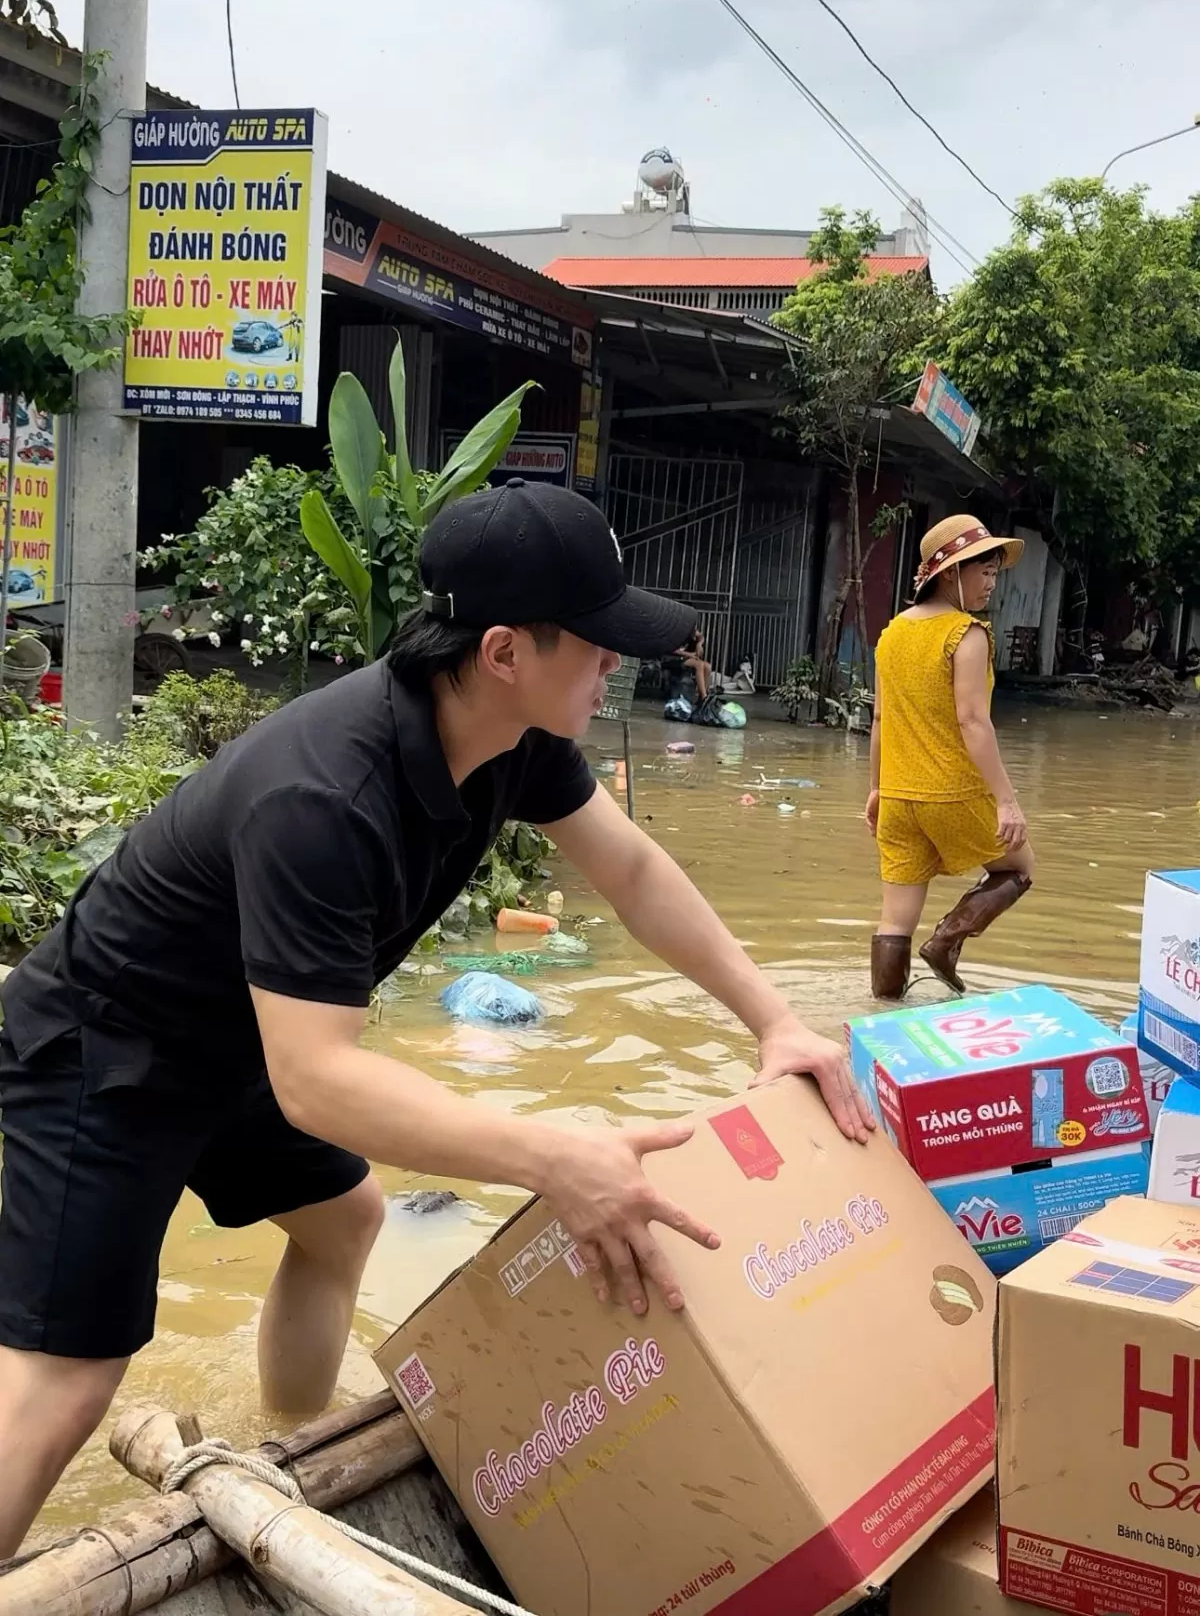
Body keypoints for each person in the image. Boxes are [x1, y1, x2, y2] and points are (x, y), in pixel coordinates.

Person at [0, 476, 874, 1556]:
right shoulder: (324, 798)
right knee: (67, 1376)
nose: (619, 663)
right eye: (597, 641)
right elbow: (320, 1081)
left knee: (345, 1218)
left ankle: (283, 1452)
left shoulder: (516, 738)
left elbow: (634, 872)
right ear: (505, 651)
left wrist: (773, 1021)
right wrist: (555, 1155)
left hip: (246, 1043)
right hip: (109, 1050)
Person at [865, 513, 1034, 1001]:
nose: (991, 584)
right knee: (1020, 867)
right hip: (951, 793)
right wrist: (1006, 800)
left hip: (898, 798)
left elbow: (880, 721)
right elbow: (973, 723)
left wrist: (876, 789)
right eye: (982, 572)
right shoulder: (968, 634)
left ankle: (882, 1013)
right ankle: (945, 942)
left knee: (894, 919)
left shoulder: (892, 632)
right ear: (949, 574)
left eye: (994, 573)